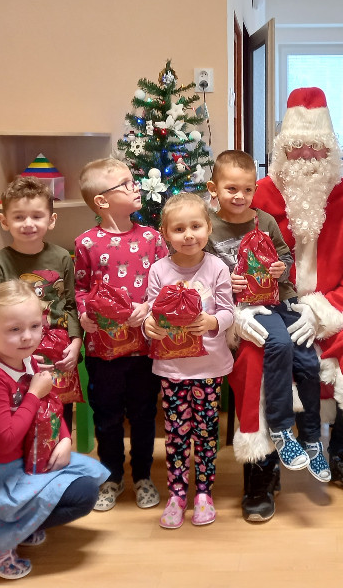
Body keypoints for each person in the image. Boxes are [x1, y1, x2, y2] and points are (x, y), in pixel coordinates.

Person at [228, 87, 343, 522]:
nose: (305, 156)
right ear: (282, 151)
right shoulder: (257, 197)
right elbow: (224, 256)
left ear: (330, 150)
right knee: (252, 355)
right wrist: (242, 306)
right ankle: (261, 466)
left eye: (315, 147)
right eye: (296, 146)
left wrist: (319, 312)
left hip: (335, 313)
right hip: (269, 310)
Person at [0, 280, 108, 580]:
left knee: (87, 485)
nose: (27, 336)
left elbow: (51, 406)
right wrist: (33, 395)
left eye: (35, 326)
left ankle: (20, 525)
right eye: (14, 329)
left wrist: (65, 438)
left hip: (29, 460)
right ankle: (0, 541)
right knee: (83, 493)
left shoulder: (27, 361)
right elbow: (6, 440)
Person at [206, 150, 330, 481]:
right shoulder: (209, 228)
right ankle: (280, 427)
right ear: (213, 189)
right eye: (232, 189)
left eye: (247, 189)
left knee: (309, 364)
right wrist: (225, 281)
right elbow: (203, 273)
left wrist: (280, 268)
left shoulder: (266, 220)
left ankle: (312, 438)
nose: (240, 196)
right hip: (248, 307)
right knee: (279, 344)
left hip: (282, 298)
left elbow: (286, 257)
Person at [75, 158, 168, 512]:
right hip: (104, 351)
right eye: (126, 184)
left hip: (144, 347)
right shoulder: (86, 242)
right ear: (102, 200)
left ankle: (143, 476)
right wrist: (84, 315)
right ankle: (111, 477)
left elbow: (165, 282)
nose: (136, 187)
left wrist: (150, 305)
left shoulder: (152, 238)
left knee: (144, 414)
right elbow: (80, 288)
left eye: (134, 181)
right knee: (108, 417)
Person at [144, 193, 235, 528]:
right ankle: (177, 494)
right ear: (165, 234)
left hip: (209, 368)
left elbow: (229, 311)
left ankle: (204, 494)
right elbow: (151, 312)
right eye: (179, 229)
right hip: (172, 370)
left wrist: (212, 321)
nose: (188, 235)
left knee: (206, 433)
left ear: (208, 228)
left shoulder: (217, 267)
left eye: (196, 226)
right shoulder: (159, 270)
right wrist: (149, 325)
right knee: (176, 435)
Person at [0, 176, 82, 433]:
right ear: (4, 221)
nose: (28, 223)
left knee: (60, 415)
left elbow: (71, 304)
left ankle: (60, 452)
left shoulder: (62, 257)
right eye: (19, 217)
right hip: (16, 352)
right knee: (24, 413)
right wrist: (15, 353)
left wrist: (76, 342)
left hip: (59, 352)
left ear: (51, 220)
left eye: (37, 216)